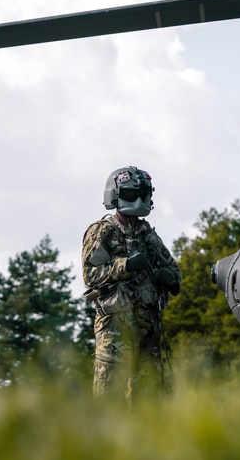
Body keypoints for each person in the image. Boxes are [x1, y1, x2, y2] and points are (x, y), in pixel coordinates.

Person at [82, 165, 181, 404]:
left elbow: (175, 272)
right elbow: (91, 275)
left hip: (148, 329)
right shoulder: (101, 231)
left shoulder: (148, 234)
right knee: (109, 397)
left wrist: (168, 276)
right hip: (115, 329)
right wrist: (125, 266)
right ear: (115, 196)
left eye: (143, 194)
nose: (138, 200)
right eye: (130, 194)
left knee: (149, 399)